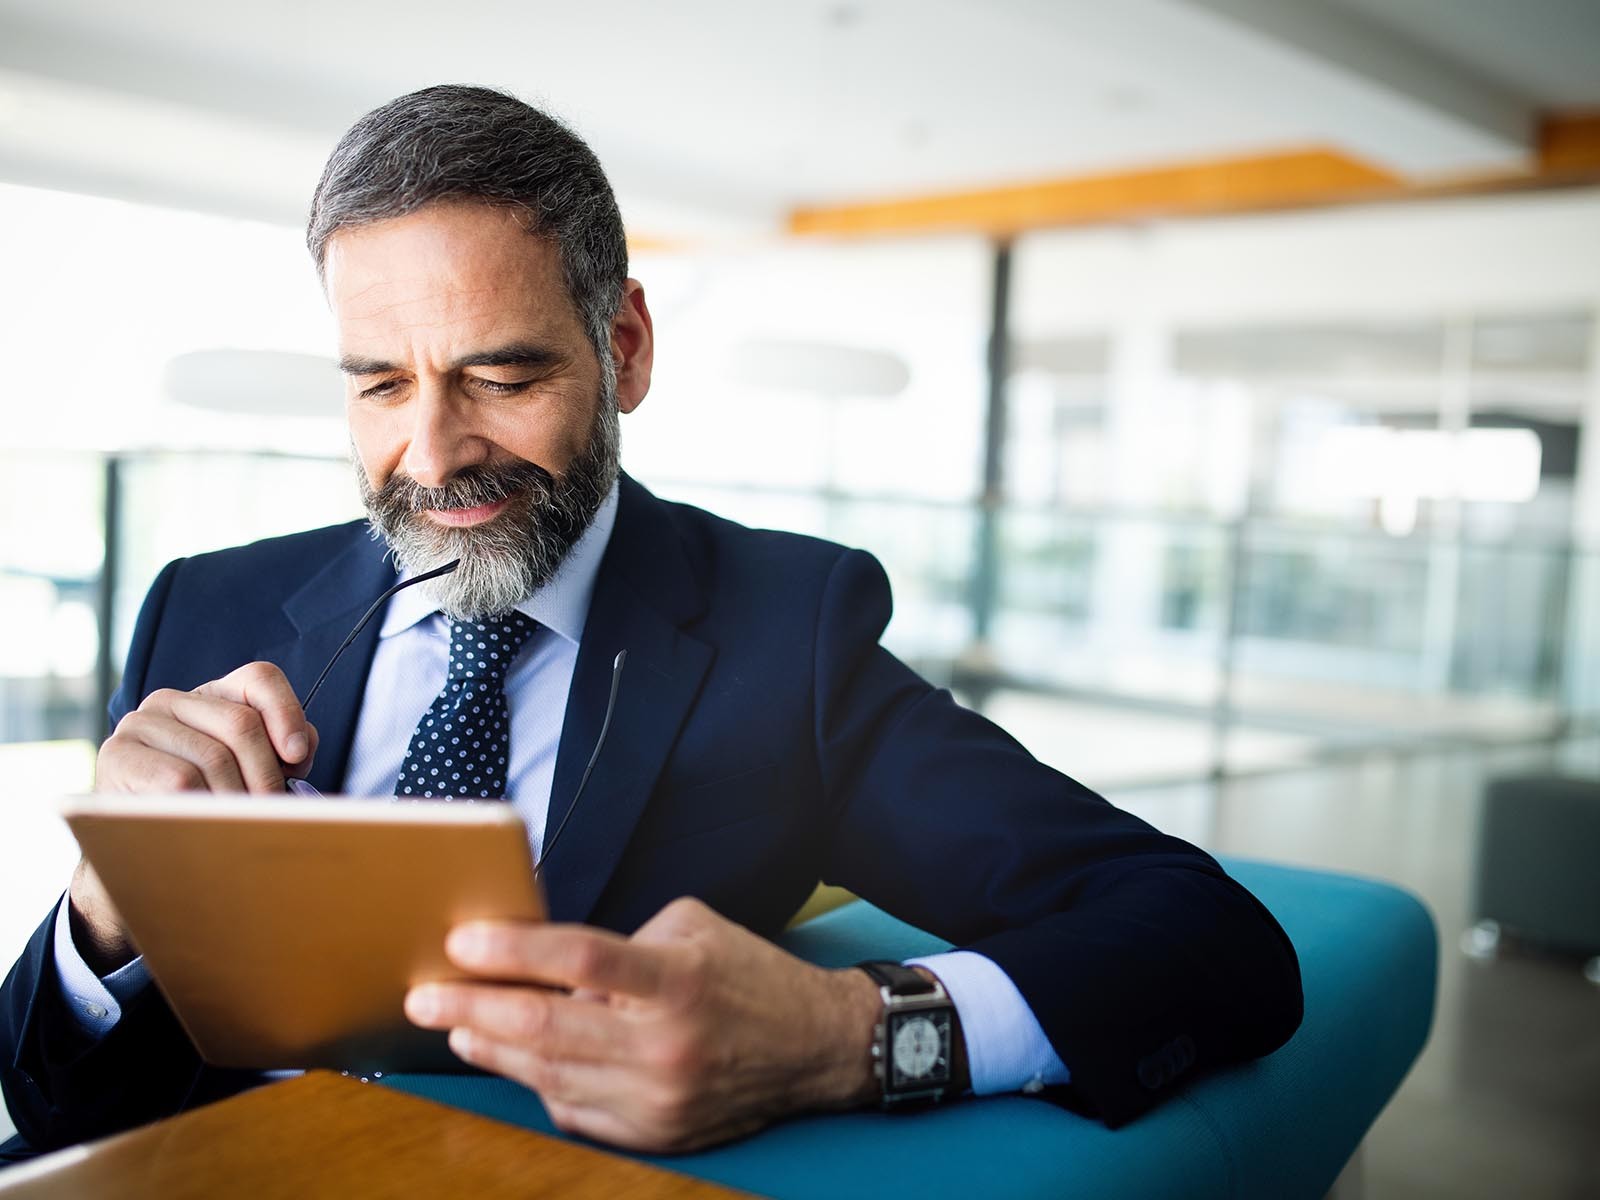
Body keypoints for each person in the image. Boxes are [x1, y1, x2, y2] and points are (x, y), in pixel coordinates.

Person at [0, 85, 1301, 1161]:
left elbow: (1206, 940)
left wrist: (846, 1039)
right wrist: (102, 923)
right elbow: (54, 1103)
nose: (432, 451)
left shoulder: (786, 636)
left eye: (501, 374)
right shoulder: (201, 605)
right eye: (380, 385)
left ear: (623, 346)